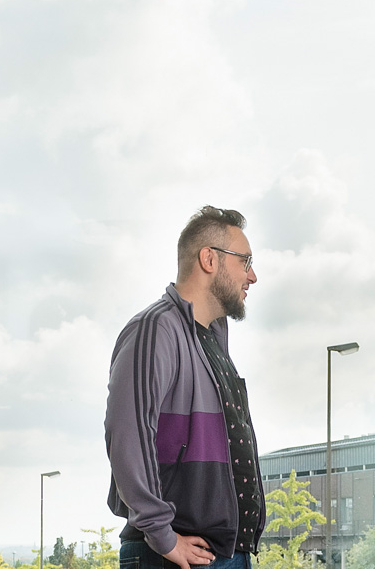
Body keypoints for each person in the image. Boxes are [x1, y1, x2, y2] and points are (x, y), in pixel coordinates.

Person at [105, 206, 264, 569]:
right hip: (171, 557)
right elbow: (126, 434)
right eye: (245, 261)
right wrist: (162, 535)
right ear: (209, 259)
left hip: (224, 554)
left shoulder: (213, 341)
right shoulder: (155, 329)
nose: (252, 275)